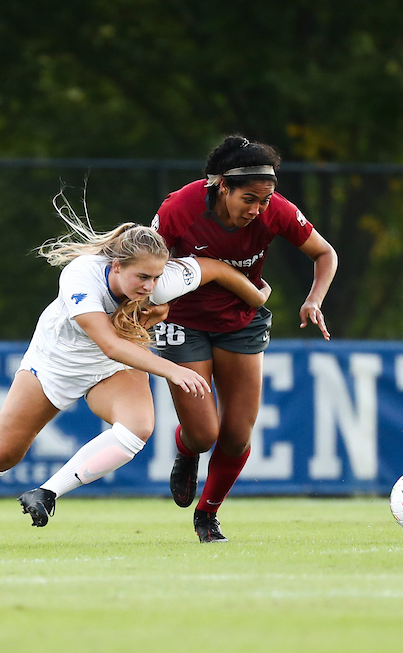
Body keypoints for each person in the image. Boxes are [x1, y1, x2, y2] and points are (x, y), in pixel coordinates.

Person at [0, 202, 270, 548]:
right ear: (116, 266)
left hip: (114, 365)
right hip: (56, 361)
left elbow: (215, 268)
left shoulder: (161, 281)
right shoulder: (81, 275)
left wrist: (256, 297)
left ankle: (47, 493)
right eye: (142, 277)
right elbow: (109, 343)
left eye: (156, 277)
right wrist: (173, 370)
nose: (150, 286)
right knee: (1, 454)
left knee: (137, 429)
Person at [152, 134, 337, 543]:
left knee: (237, 436)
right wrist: (145, 309)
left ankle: (207, 515)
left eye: (264, 201)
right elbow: (147, 264)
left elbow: (325, 253)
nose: (257, 210)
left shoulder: (277, 211)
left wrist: (313, 300)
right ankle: (187, 450)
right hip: (182, 320)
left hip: (241, 321)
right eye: (248, 199)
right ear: (223, 186)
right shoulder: (179, 208)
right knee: (204, 434)